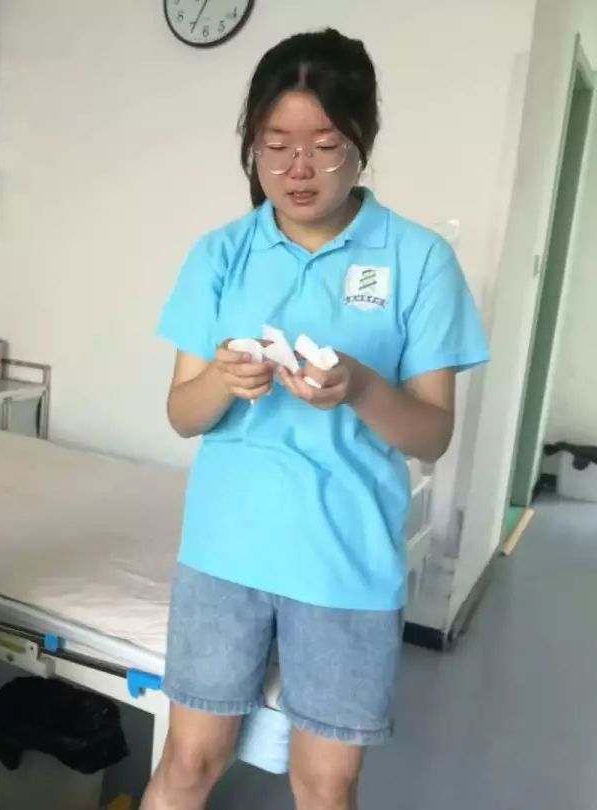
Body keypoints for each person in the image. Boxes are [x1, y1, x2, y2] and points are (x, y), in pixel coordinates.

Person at [143, 28, 490, 810]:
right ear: (251, 145)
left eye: (326, 146)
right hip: (224, 549)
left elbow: (433, 434)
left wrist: (361, 385)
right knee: (189, 763)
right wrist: (224, 380)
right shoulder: (220, 254)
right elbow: (182, 414)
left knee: (326, 786)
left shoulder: (418, 260)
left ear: (364, 140)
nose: (298, 169)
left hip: (346, 559)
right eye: (275, 146)